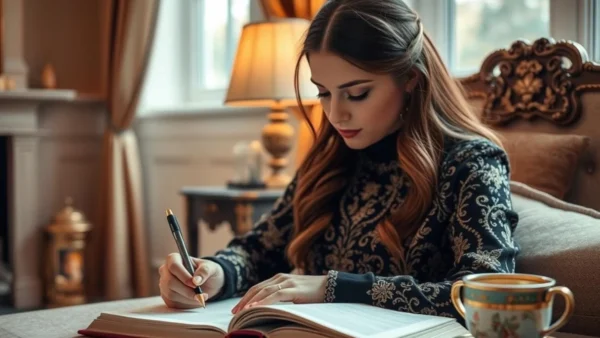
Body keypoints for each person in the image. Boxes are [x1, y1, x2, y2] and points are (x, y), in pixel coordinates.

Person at [158, 0, 519, 321]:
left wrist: (334, 287)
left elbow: (488, 294)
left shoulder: (473, 163)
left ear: (410, 78)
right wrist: (215, 273)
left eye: (357, 94)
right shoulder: (331, 157)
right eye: (324, 93)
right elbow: (260, 249)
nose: (335, 114)